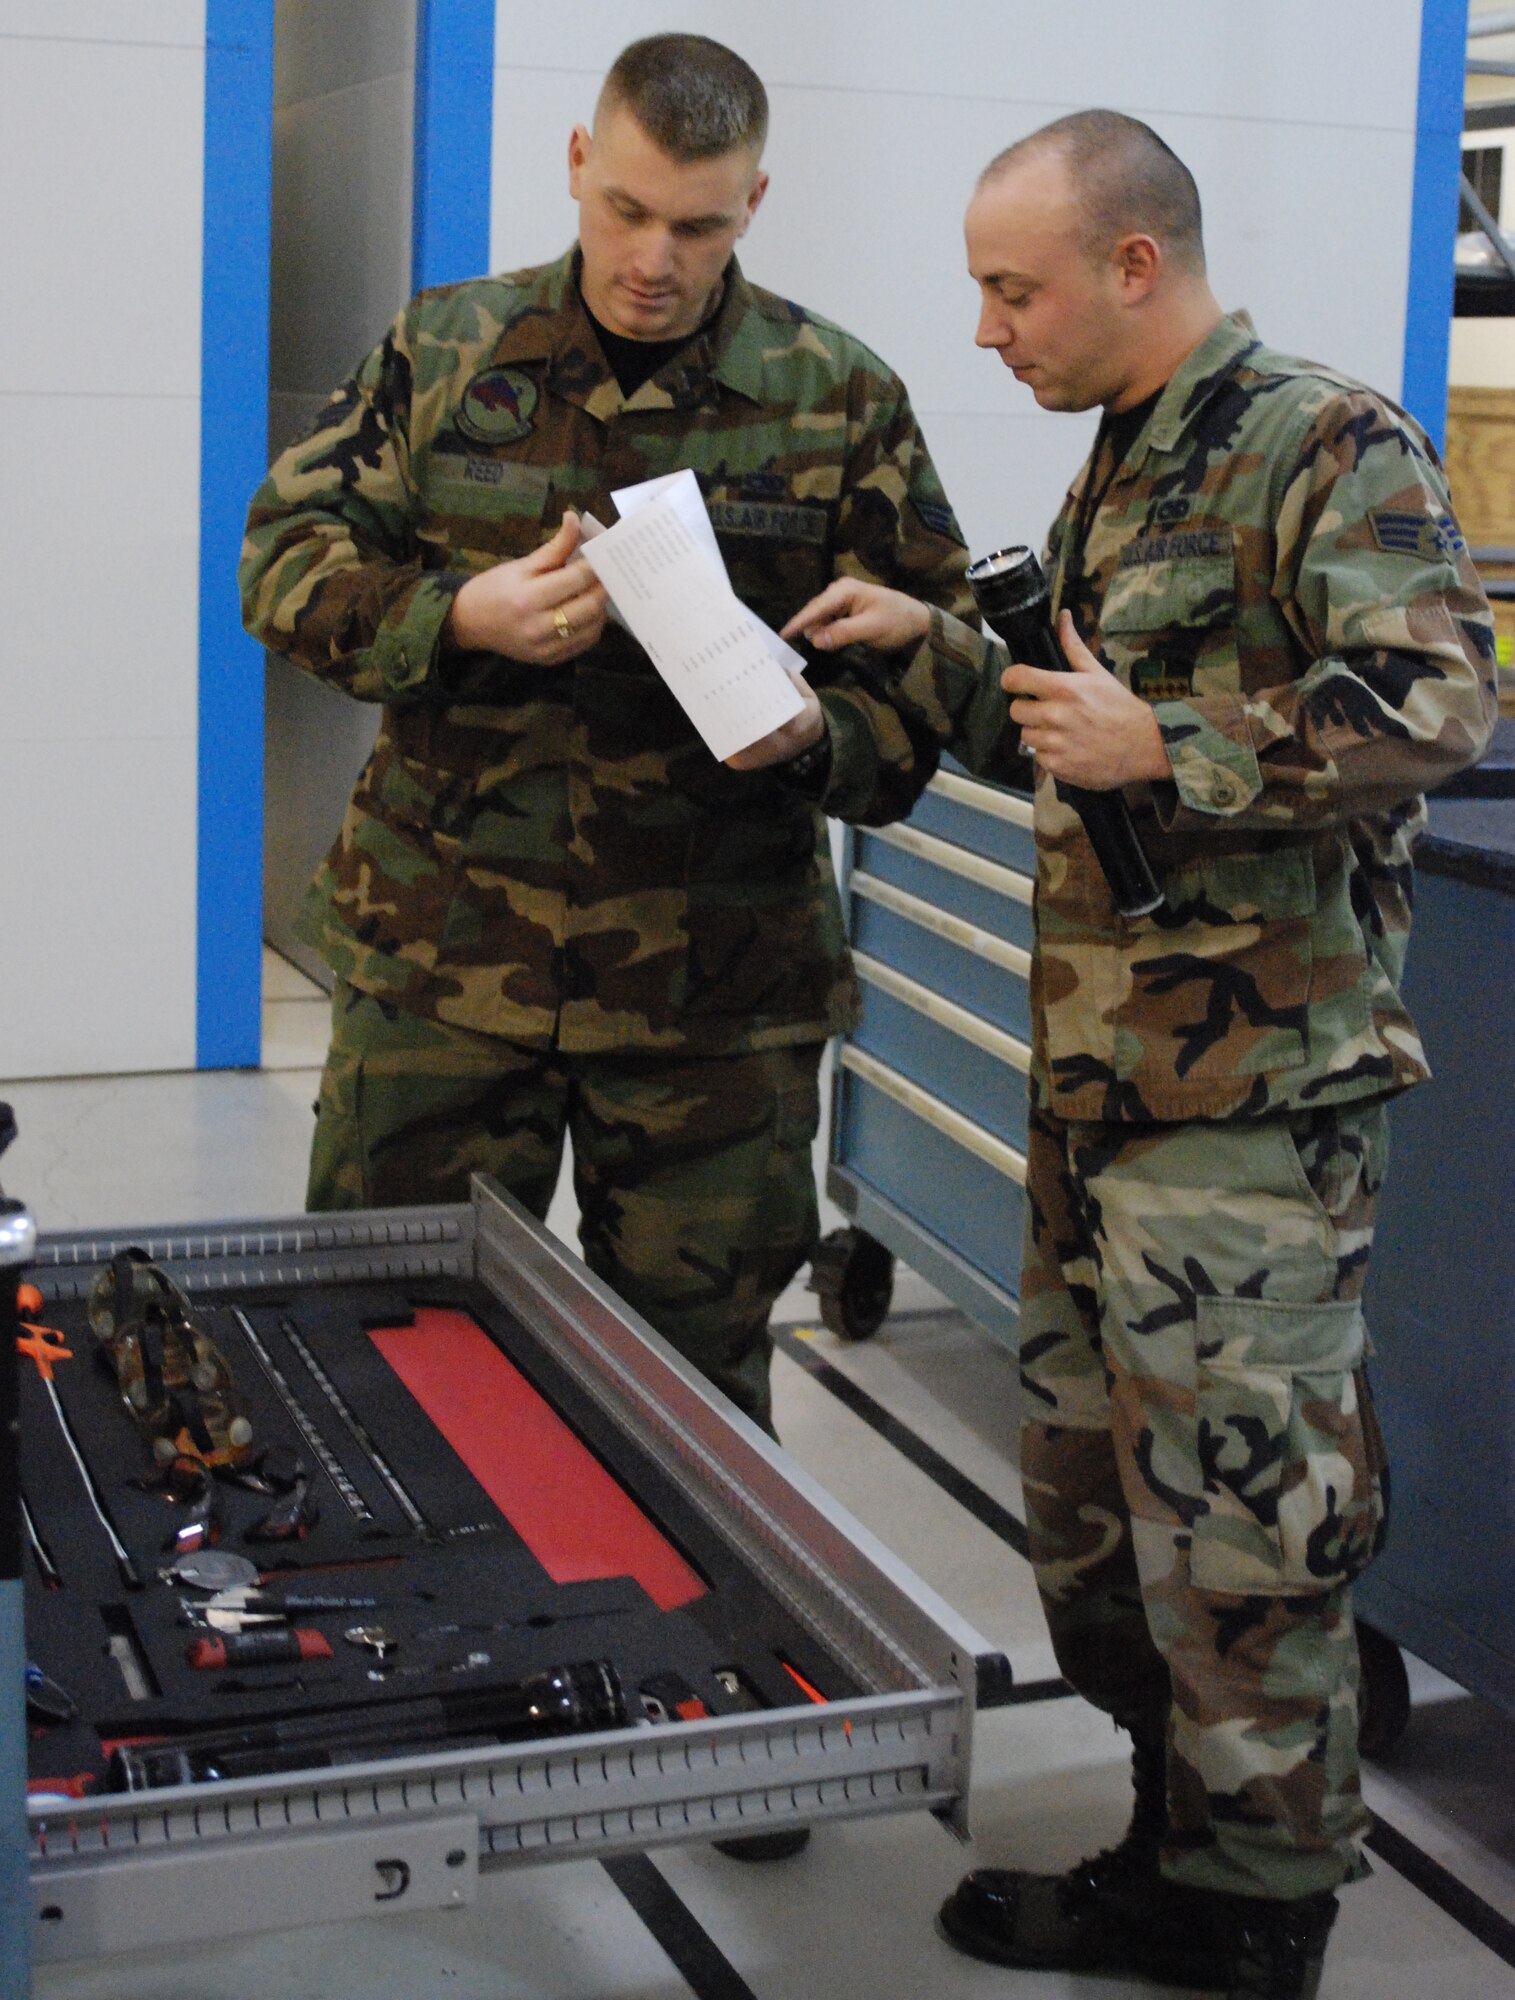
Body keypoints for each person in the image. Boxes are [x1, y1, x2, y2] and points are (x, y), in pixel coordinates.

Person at [783, 110, 1497, 1999]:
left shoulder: (1325, 443)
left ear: (1132, 264)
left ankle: (1257, 1908)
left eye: (1011, 291)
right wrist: (932, 646)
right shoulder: (1125, 460)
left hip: (1250, 1119)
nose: (989, 330)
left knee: (1247, 1530)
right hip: (1105, 1094)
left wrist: (1172, 747)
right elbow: (1068, 736)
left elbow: (1438, 698)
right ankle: (1173, 1843)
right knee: (1104, 1523)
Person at [240, 35, 972, 1440]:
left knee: (694, 1402)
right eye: (626, 210)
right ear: (578, 163)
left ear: (754, 202)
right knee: (390, 1362)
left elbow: (930, 674)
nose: (653, 259)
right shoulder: (445, 350)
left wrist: (817, 734)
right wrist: (459, 616)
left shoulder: (836, 397)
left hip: (718, 998)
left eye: (698, 226)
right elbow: (283, 564)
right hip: (446, 964)